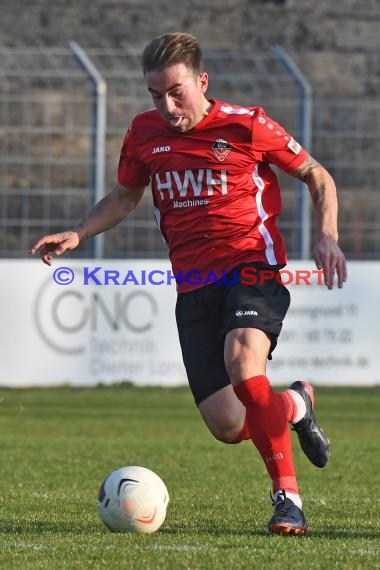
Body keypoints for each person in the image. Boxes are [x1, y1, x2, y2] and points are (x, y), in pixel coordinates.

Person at [30, 32, 347, 535]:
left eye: (177, 91)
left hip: (251, 266)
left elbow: (317, 174)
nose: (167, 104)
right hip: (193, 286)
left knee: (244, 361)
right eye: (156, 94)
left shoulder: (247, 125)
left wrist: (327, 236)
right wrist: (79, 231)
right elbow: (124, 197)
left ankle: (287, 499)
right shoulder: (143, 133)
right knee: (228, 424)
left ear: (202, 81)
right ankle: (295, 404)